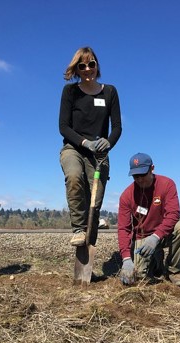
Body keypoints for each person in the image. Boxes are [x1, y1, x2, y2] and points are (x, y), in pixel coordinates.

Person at [59, 47, 122, 246]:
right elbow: (63, 126)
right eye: (82, 65)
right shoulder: (70, 91)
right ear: (77, 69)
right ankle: (78, 229)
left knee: (94, 205)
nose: (88, 69)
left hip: (99, 155)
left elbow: (118, 127)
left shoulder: (110, 91)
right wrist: (85, 142)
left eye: (91, 64)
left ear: (97, 65)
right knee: (74, 177)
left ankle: (87, 259)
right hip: (74, 148)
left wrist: (108, 142)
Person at [118, 153, 180, 286]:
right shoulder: (126, 196)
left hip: (164, 233)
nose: (139, 179)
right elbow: (124, 228)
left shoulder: (167, 184)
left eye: (142, 174)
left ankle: (174, 271)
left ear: (152, 168)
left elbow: (173, 214)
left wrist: (156, 237)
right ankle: (157, 260)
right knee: (139, 277)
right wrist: (126, 259)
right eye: (135, 176)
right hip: (143, 236)